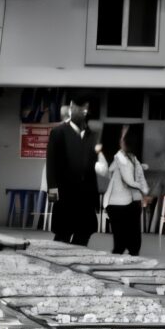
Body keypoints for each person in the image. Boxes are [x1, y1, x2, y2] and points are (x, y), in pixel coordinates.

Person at [43, 98, 99, 246]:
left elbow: (92, 169)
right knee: (62, 236)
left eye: (85, 109)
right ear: (71, 108)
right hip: (65, 196)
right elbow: (51, 166)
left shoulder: (92, 136)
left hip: (86, 198)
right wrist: (53, 196)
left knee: (83, 235)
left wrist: (95, 200)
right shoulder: (58, 133)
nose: (83, 112)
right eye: (79, 108)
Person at [100, 125, 148, 256]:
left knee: (130, 244)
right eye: (122, 136)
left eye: (124, 137)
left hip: (128, 202)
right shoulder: (120, 158)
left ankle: (127, 252)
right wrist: (143, 190)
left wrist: (144, 191)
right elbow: (128, 180)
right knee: (122, 244)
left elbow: (137, 177)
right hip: (118, 203)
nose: (122, 140)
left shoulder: (132, 158)